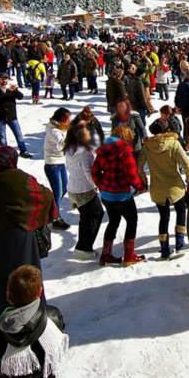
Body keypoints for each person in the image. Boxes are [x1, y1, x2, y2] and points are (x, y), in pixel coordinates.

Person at [0, 147, 57, 326]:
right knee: (26, 279)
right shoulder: (19, 179)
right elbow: (45, 196)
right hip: (19, 238)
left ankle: (1, 322)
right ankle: (32, 320)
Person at [0, 265, 68, 378]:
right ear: (40, 292)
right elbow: (61, 334)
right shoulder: (52, 316)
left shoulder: (1, 328)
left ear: (8, 295)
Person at [138, 119, 189, 259]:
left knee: (164, 217)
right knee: (181, 211)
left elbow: (139, 166)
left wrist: (144, 179)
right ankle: (180, 244)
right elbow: (187, 164)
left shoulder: (147, 147)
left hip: (157, 188)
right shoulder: (173, 144)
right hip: (175, 186)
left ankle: (164, 249)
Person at [91, 126, 146, 266]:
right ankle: (129, 255)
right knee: (132, 220)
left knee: (113, 221)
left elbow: (95, 171)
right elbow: (132, 175)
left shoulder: (103, 150)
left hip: (107, 195)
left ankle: (105, 254)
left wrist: (101, 185)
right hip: (122, 195)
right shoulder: (125, 151)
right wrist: (141, 186)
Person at [64, 123, 104, 259]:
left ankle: (83, 246)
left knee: (86, 217)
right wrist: (97, 185)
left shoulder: (69, 148)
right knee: (96, 214)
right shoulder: (85, 153)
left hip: (72, 188)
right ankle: (84, 247)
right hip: (84, 190)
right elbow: (89, 173)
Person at [43, 108, 72, 230]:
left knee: (64, 189)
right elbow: (63, 145)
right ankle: (55, 218)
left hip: (60, 162)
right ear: (61, 120)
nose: (69, 121)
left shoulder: (62, 127)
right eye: (67, 119)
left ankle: (51, 209)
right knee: (58, 191)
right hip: (52, 164)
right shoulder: (53, 130)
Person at [0, 73, 32, 158]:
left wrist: (15, 90)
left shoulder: (11, 88)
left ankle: (23, 150)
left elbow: (20, 96)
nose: (4, 80)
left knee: (18, 134)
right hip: (0, 116)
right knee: (2, 137)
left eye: (6, 79)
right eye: (2, 79)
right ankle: (4, 153)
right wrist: (3, 93)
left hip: (12, 115)